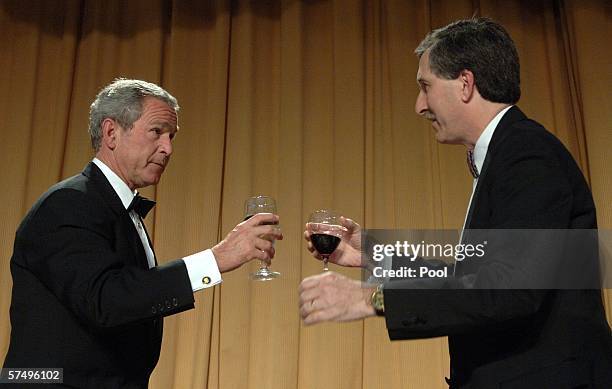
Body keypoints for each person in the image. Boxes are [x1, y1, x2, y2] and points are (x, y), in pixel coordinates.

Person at [299, 18, 612, 388]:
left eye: (425, 87)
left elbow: (508, 290)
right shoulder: (508, 154)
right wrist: (373, 254)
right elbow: (474, 280)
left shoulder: (527, 154)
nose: (419, 106)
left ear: (465, 83)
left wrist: (370, 299)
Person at [2, 79, 282, 388]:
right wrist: (215, 260)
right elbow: (106, 301)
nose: (168, 148)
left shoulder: (116, 208)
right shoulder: (69, 203)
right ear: (111, 133)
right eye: (157, 132)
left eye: (172, 136)